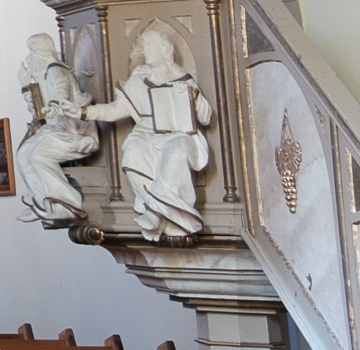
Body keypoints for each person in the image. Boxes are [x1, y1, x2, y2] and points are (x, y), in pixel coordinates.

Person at [86, 28, 214, 241]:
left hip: (180, 134)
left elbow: (206, 118)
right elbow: (116, 110)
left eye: (148, 47)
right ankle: (161, 213)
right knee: (133, 149)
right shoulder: (140, 78)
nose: (144, 52)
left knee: (176, 150)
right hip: (146, 133)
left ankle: (155, 212)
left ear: (164, 49)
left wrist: (194, 97)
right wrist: (84, 112)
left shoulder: (183, 79)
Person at [13, 33, 100, 225]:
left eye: (32, 52)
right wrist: (26, 85)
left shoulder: (55, 70)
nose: (29, 59)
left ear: (41, 53)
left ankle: (67, 203)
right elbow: (37, 112)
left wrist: (55, 104)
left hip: (72, 131)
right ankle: (43, 203)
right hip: (55, 129)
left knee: (38, 157)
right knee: (22, 155)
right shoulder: (43, 75)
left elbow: (61, 89)